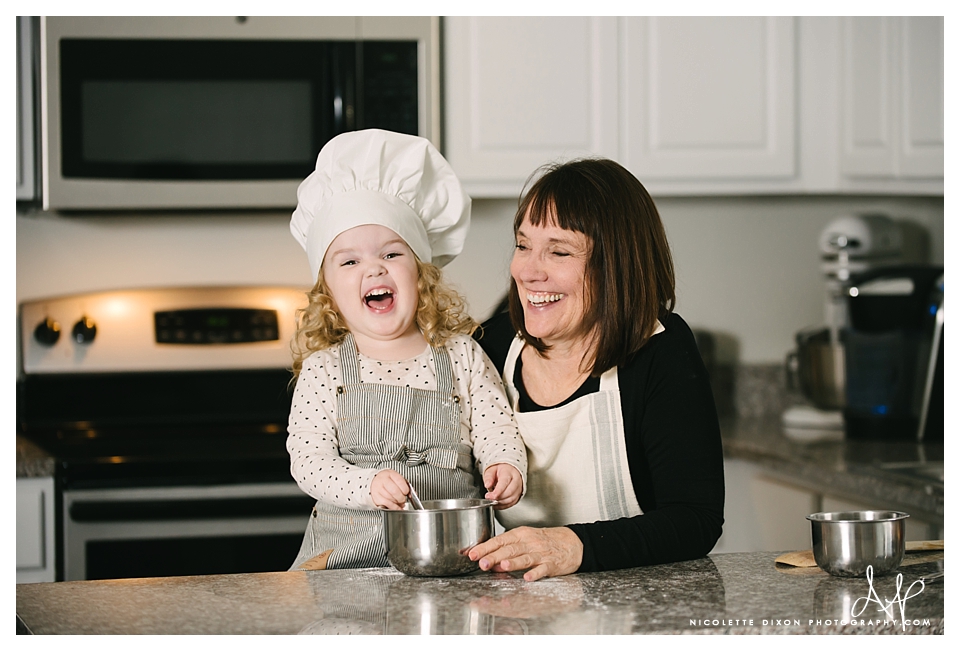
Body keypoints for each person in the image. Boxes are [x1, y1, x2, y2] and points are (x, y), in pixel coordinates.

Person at [468, 157, 724, 581]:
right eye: (522, 245)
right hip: (514, 612)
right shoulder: (491, 346)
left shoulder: (659, 350)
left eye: (559, 251)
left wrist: (572, 545)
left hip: (639, 613)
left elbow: (695, 520)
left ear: (616, 264)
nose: (528, 271)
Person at [286, 129, 527, 571]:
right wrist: (366, 484)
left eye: (392, 254)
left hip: (453, 559)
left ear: (421, 274)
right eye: (349, 260)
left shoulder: (462, 355)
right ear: (329, 293)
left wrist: (507, 467)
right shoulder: (324, 371)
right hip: (342, 564)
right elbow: (308, 462)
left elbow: (498, 431)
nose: (374, 267)